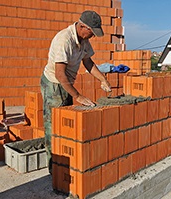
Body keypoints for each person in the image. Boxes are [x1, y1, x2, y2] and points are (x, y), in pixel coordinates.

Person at [40, 10, 112, 173]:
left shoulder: (83, 41)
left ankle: (67, 161)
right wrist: (78, 96)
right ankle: (54, 169)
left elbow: (88, 62)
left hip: (66, 84)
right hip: (54, 84)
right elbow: (60, 74)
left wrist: (103, 80)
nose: (92, 36)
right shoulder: (64, 40)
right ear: (82, 26)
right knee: (54, 127)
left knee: (66, 124)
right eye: (91, 32)